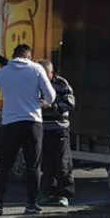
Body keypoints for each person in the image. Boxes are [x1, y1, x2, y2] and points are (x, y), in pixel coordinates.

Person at [0, 44, 56, 216]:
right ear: (29, 55)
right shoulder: (36, 69)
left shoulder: (2, 73)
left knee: (4, 164)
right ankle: (31, 203)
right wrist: (44, 103)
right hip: (32, 122)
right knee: (33, 165)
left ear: (14, 55)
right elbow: (51, 96)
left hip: (10, 122)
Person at [37, 59, 75, 207]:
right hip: (42, 129)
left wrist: (50, 106)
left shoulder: (61, 84)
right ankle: (47, 193)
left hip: (59, 128)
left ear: (51, 73)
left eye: (44, 73)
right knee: (46, 165)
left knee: (62, 163)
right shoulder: (35, 83)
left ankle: (64, 194)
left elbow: (70, 103)